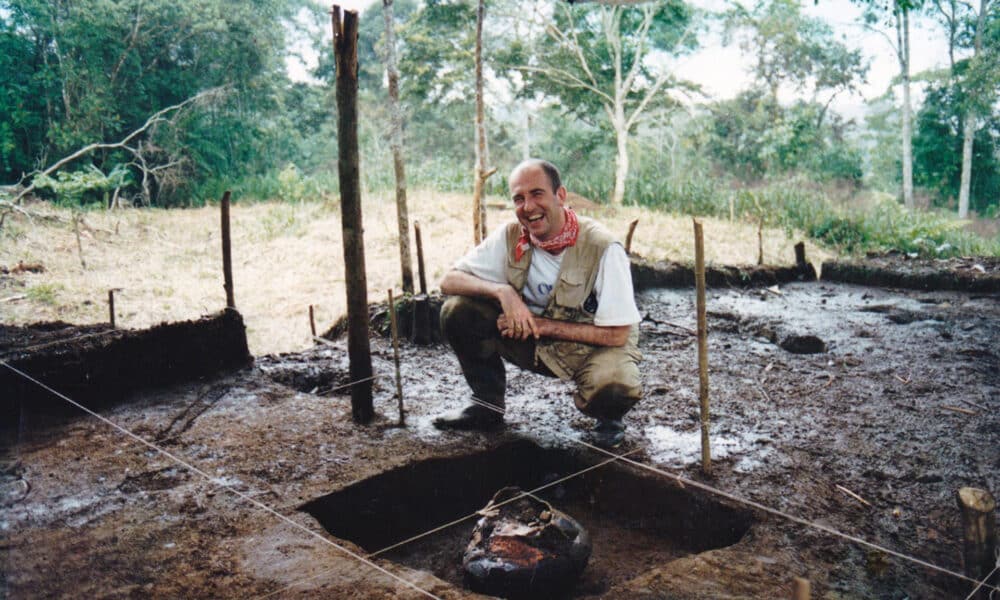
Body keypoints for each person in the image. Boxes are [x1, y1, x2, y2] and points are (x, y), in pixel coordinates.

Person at [433, 158, 642, 449]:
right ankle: (487, 405)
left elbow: (617, 333)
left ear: (561, 195)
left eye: (537, 194)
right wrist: (503, 292)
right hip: (530, 343)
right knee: (458, 311)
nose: (528, 207)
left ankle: (608, 419)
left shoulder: (603, 247)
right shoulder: (511, 236)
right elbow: (449, 281)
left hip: (590, 350)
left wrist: (542, 325)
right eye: (518, 198)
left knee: (615, 383)